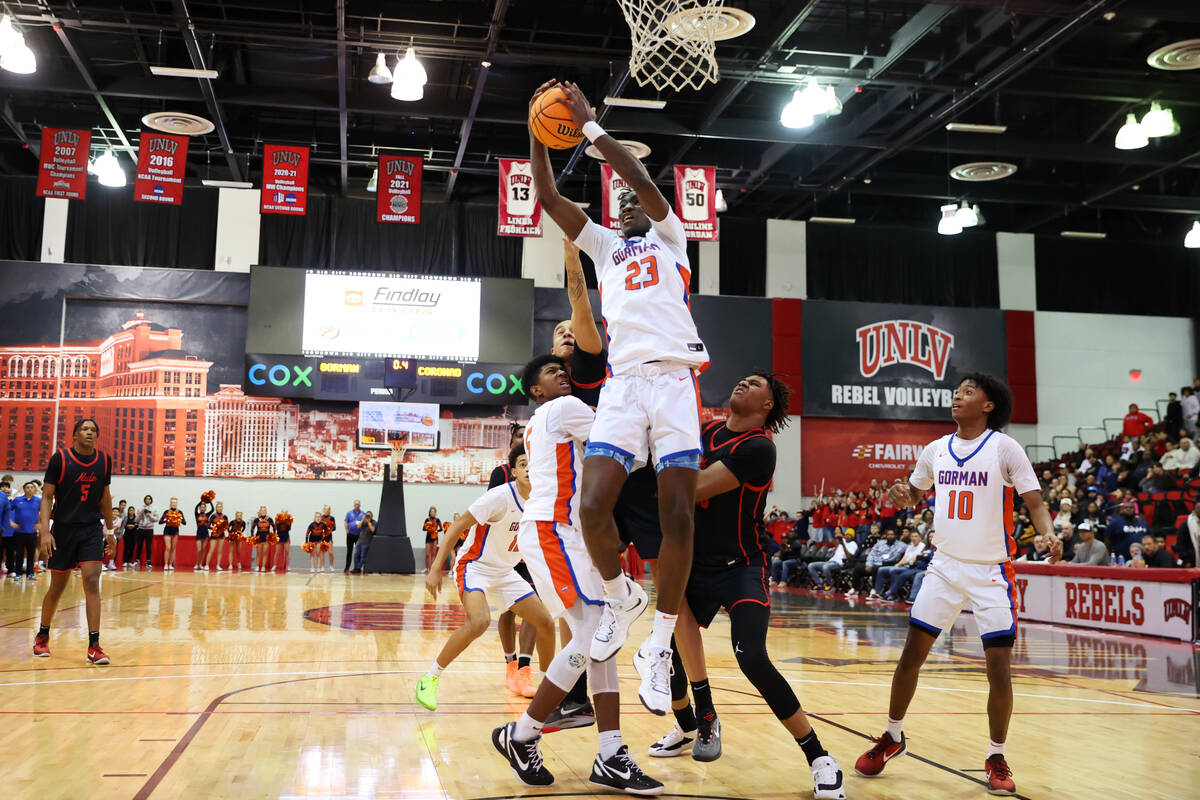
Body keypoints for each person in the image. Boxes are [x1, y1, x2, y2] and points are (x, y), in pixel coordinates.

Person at [527, 80, 712, 712]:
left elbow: (642, 179)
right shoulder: (604, 248)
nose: (630, 201)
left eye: (636, 198)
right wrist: (536, 130)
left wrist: (589, 126)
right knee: (593, 507)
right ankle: (620, 597)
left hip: (675, 381)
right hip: (624, 386)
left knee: (678, 516)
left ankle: (658, 645)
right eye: (623, 201)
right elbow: (549, 196)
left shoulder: (670, 238)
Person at [854, 374, 1053, 796]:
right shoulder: (935, 449)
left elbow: (1034, 501)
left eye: (967, 391)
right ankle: (892, 737)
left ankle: (996, 754)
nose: (957, 396)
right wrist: (901, 495)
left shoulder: (1005, 447)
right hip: (943, 566)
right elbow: (912, 491)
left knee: (998, 670)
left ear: (988, 405)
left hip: (991, 571)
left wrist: (1049, 533)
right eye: (956, 390)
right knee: (911, 657)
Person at [651, 371, 845, 798]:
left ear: (767, 405)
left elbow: (695, 486)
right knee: (668, 659)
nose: (743, 383)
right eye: (742, 379)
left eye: (756, 383)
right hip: (693, 564)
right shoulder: (704, 430)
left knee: (753, 658)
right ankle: (694, 725)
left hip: (741, 565)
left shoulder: (758, 448)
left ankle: (819, 757)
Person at [491, 354, 661, 794]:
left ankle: (610, 754)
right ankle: (523, 733)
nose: (563, 374)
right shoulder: (563, 408)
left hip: (570, 535)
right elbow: (624, 449)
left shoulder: (550, 416)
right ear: (537, 391)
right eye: (552, 372)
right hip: (553, 530)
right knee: (592, 639)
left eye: (564, 370)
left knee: (603, 643)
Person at [419, 444, 557, 710]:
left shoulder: (543, 501)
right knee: (480, 621)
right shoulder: (499, 497)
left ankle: (550, 690)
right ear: (514, 471)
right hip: (475, 566)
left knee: (545, 623)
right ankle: (429, 678)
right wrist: (437, 567)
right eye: (523, 464)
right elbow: (458, 526)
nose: (529, 468)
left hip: (505, 571)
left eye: (533, 464)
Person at [33, 419, 117, 664]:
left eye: (93, 429)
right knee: (57, 587)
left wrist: (109, 530)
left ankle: (94, 645)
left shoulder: (104, 461)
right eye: (85, 429)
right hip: (63, 530)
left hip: (91, 529)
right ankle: (42, 635)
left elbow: (105, 496)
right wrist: (46, 531)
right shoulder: (60, 458)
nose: (90, 432)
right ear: (75, 435)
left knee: (92, 581)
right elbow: (47, 496)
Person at [10, 482, 41, 581]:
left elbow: (45, 513)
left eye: (32, 487)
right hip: (19, 532)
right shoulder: (17, 500)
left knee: (31, 554)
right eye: (27, 487)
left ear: (34, 489)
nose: (29, 489)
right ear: (24, 489)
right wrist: (11, 523)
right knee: (19, 554)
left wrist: (41, 524)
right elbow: (6, 511)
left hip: (32, 532)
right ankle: (18, 573)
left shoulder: (38, 501)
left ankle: (30, 573)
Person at [157, 497, 185, 571]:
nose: (174, 504)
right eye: (172, 503)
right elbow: (160, 522)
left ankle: (170, 564)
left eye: (175, 503)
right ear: (170, 504)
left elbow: (184, 522)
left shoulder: (180, 512)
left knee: (173, 548)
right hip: (167, 531)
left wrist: (179, 519)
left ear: (177, 504)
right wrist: (167, 520)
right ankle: (166, 564)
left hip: (175, 531)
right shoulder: (166, 512)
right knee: (168, 547)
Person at [133, 495, 155, 571]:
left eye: (149, 499)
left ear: (151, 500)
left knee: (148, 546)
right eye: (146, 499)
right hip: (141, 529)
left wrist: (150, 516)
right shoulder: (140, 508)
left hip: (149, 529)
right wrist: (140, 514)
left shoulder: (154, 508)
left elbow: (156, 519)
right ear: (144, 500)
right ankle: (137, 560)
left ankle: (148, 561)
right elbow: (136, 520)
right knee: (139, 545)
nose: (148, 500)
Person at [194, 491, 215, 572]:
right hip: (199, 533)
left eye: (204, 507)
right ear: (200, 508)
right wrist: (202, 500)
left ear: (205, 509)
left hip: (205, 533)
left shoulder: (207, 514)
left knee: (203, 549)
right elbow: (195, 507)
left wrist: (209, 501)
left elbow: (212, 509)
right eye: (201, 507)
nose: (202, 508)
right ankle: (197, 563)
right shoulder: (197, 514)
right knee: (199, 549)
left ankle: (201, 564)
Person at [251, 506, 274, 573]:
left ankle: (263, 567)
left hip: (266, 538)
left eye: (264, 510)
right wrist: (252, 536)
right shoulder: (256, 520)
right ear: (260, 512)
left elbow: (274, 527)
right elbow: (252, 528)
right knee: (258, 553)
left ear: (266, 511)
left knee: (265, 553)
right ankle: (257, 566)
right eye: (262, 510)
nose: (263, 512)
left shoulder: (270, 519)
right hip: (259, 538)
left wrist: (273, 535)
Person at [344, 500, 365, 574]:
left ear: (360, 505)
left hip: (359, 536)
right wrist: (347, 531)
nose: (357, 505)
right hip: (350, 535)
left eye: (358, 504)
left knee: (358, 552)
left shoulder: (363, 514)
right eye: (356, 504)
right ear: (354, 505)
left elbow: (364, 523)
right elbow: (346, 522)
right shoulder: (349, 513)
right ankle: (347, 568)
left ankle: (357, 568)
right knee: (349, 551)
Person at [208, 502, 230, 571]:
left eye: (220, 507)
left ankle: (218, 565)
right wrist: (214, 528)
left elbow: (227, 526)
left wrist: (223, 528)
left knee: (220, 551)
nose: (219, 508)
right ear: (216, 508)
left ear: (222, 508)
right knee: (211, 550)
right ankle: (206, 565)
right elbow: (208, 526)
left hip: (221, 535)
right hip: (214, 535)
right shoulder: (213, 516)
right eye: (218, 507)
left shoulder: (225, 516)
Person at [422, 506, 441, 574]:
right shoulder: (427, 520)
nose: (432, 513)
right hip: (428, 537)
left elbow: (441, 529)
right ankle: (427, 568)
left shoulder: (437, 520)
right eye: (431, 512)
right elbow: (423, 528)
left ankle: (432, 569)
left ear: (435, 513)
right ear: (429, 512)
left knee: (433, 554)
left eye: (434, 512)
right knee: (427, 554)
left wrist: (436, 530)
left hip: (435, 538)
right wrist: (429, 529)